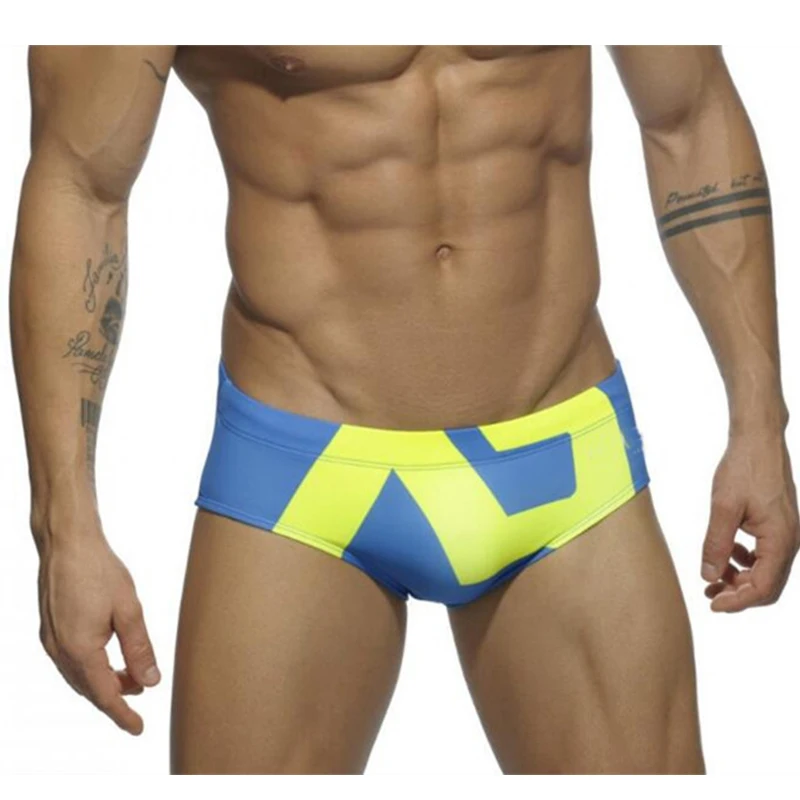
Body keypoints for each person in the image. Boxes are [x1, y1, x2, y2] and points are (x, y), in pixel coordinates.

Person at [10, 45, 799, 775]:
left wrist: (760, 421)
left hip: (561, 453)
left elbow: (688, 114)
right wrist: (64, 527)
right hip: (302, 472)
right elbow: (80, 184)